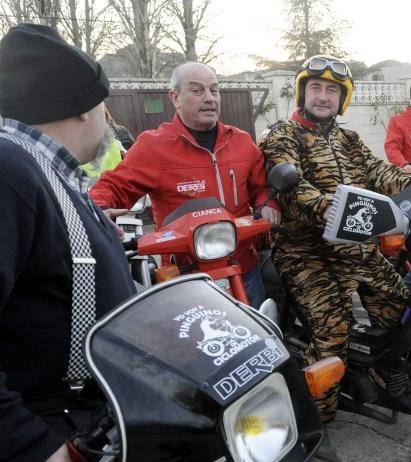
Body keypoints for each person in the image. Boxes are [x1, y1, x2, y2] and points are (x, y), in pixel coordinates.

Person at [0, 24, 136, 462]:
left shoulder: (45, 170)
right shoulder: (9, 169)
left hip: (70, 431)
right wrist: (20, 447)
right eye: (105, 106)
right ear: (84, 105)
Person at [260, 55, 411, 462]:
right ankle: (315, 426)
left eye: (332, 91)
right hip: (304, 249)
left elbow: (380, 172)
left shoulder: (349, 139)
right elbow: (296, 191)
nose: (323, 96)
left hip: (355, 245)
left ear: (342, 99)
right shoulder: (282, 134)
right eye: (316, 89)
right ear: (303, 93)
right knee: (333, 330)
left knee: (400, 300)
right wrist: (339, 209)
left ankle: (380, 370)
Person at [89, 62, 279, 307]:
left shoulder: (241, 141)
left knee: (258, 337)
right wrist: (99, 208)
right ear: (175, 97)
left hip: (243, 269)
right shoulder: (154, 146)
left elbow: (262, 187)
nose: (210, 98)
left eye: (215, 90)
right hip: (185, 276)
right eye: (197, 91)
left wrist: (269, 203)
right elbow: (113, 185)